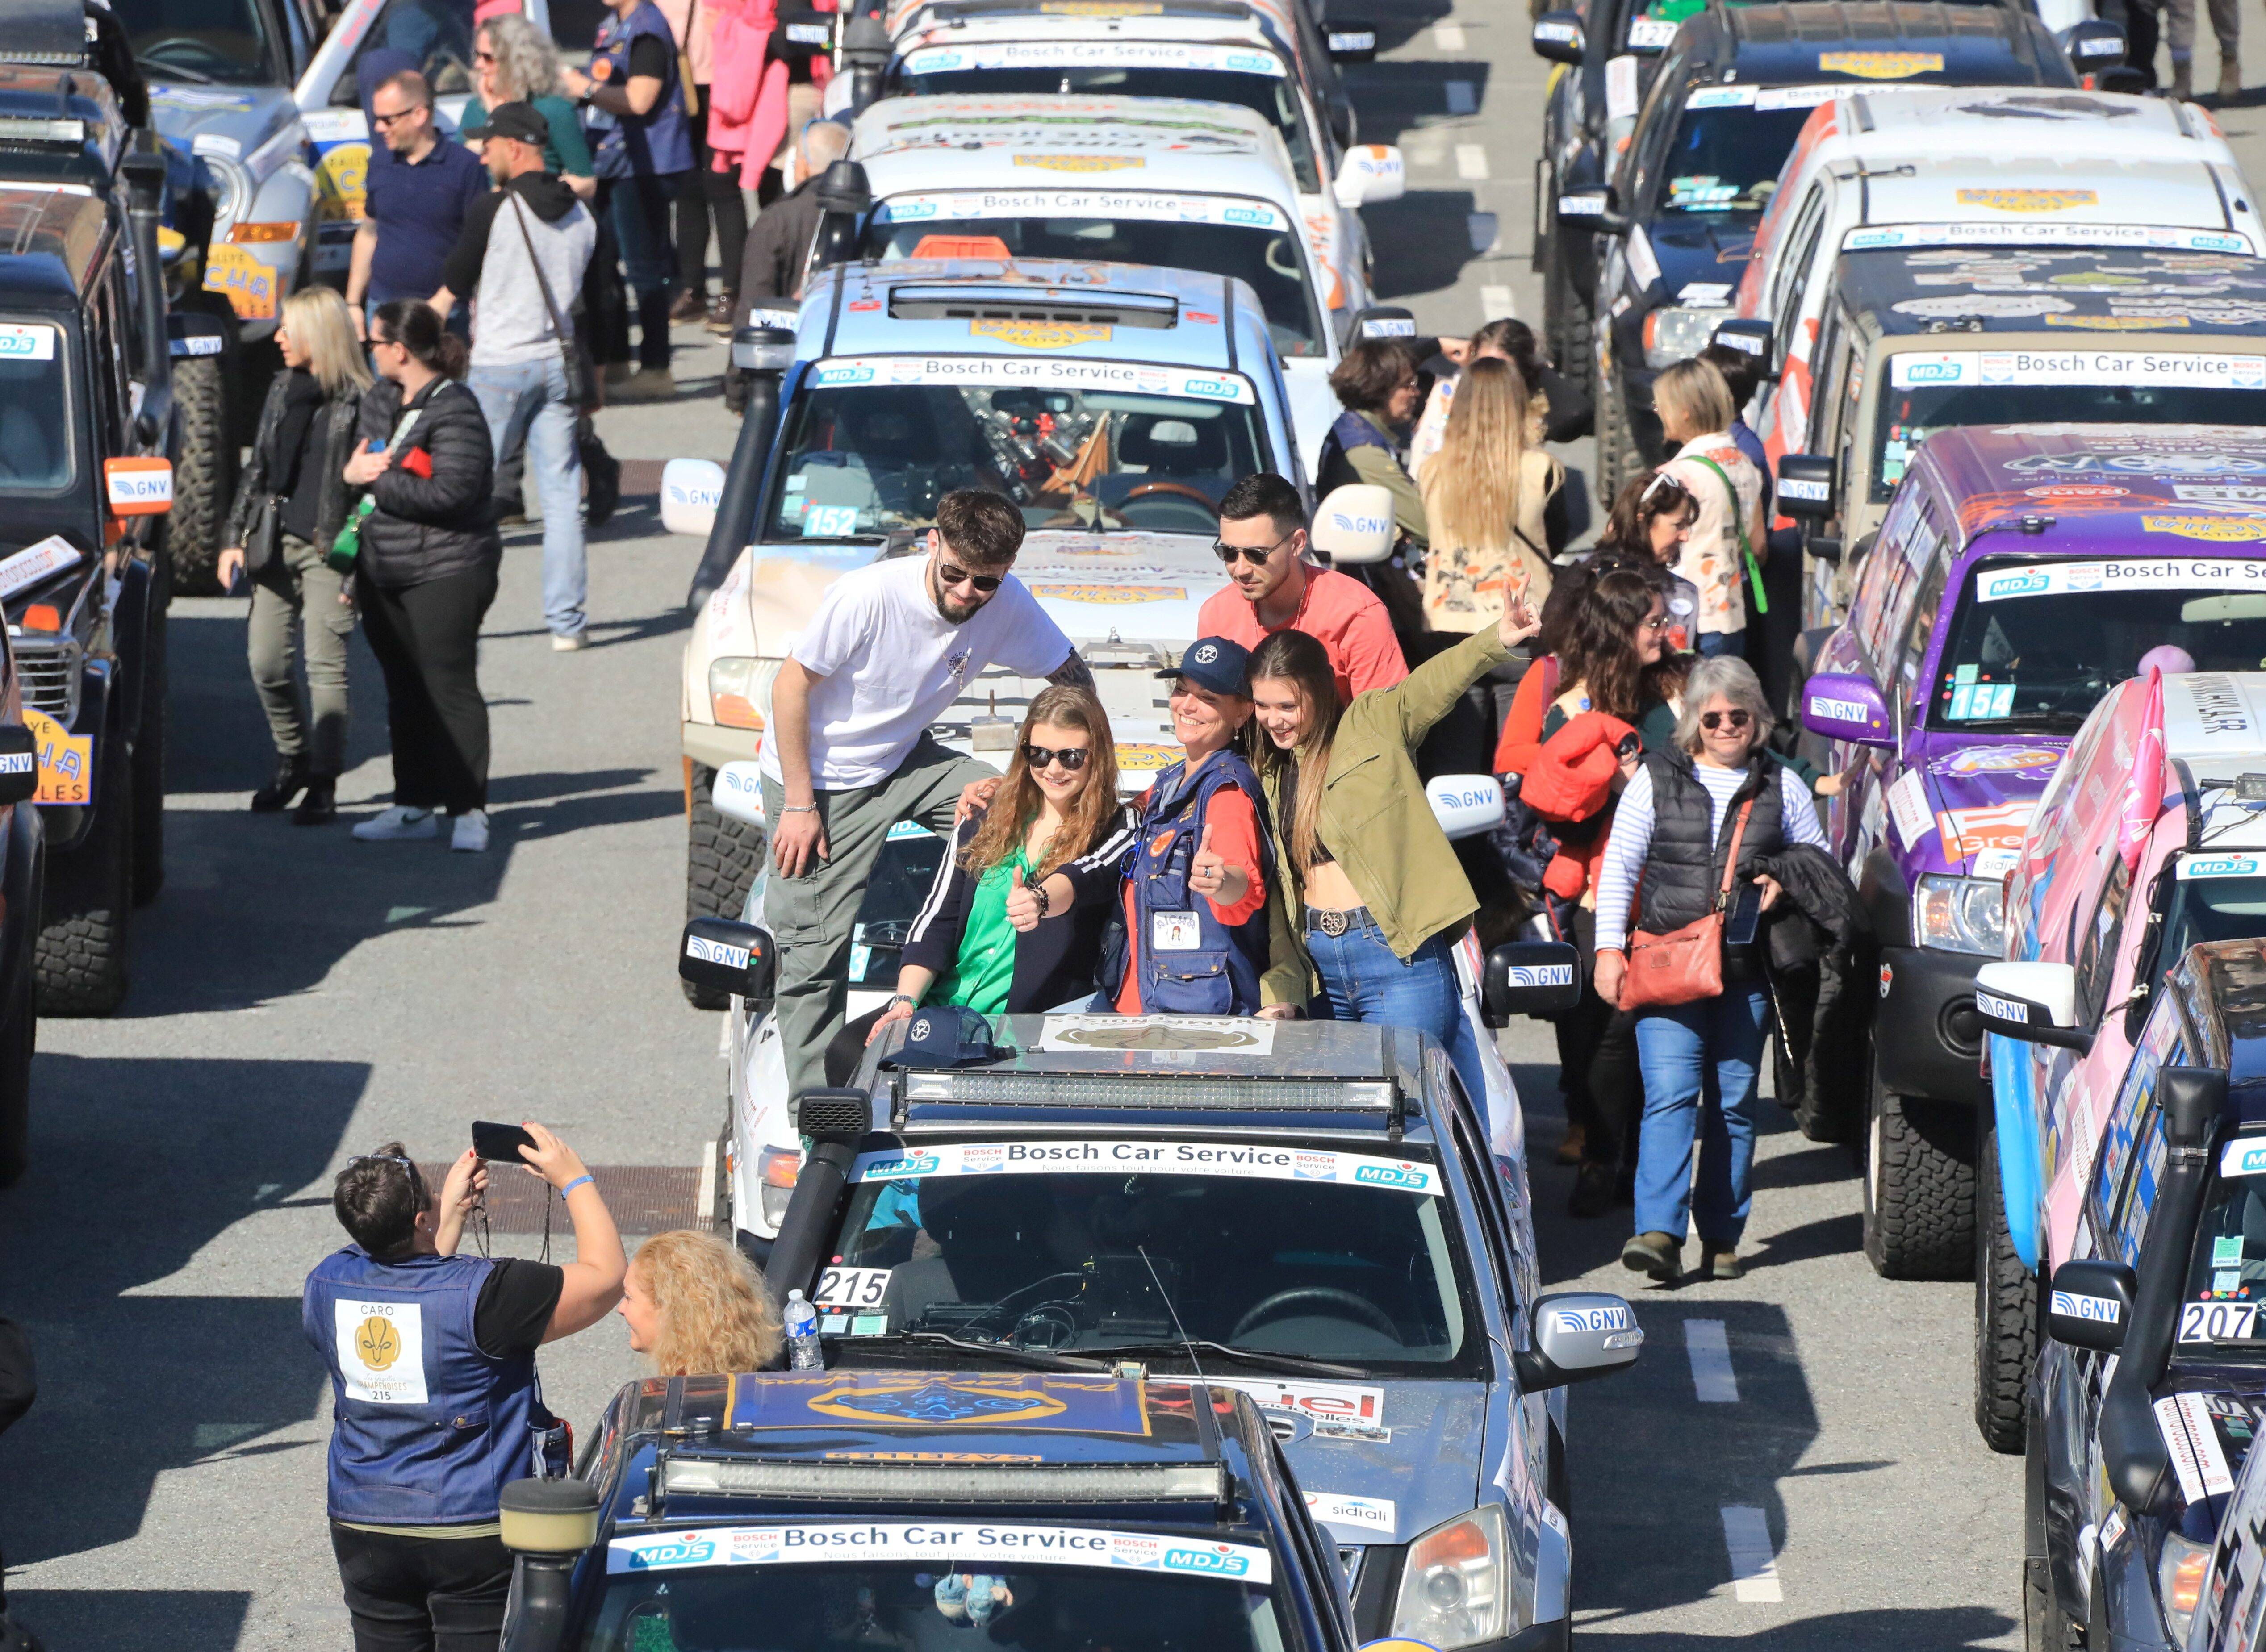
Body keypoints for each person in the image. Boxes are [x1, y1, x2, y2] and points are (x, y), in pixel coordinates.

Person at [762, 489, 1088, 1098]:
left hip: (908, 756)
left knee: (1015, 814)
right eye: (954, 575)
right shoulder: (868, 595)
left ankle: (991, 989)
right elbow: (788, 687)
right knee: (812, 957)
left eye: (985, 583)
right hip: (824, 776)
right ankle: (818, 1115)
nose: (967, 593)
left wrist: (1071, 767)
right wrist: (801, 805)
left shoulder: (1007, 601)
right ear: (932, 544)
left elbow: (1071, 677)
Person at [304, 1126, 625, 1652]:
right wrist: (574, 1179)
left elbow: (412, 1295)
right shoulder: (492, 1296)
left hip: (363, 1519)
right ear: (418, 1219)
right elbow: (606, 1275)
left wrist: (446, 1215)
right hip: (469, 1524)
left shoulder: (326, 1284)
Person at [1593, 655, 1831, 1283]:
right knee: (1669, 1096)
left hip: (1747, 971)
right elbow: (1619, 865)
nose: (1726, 727)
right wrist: (1606, 950)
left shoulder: (1784, 785)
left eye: (1739, 716)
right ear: (1694, 722)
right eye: (1714, 716)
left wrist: (1784, 876)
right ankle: (1658, 1232)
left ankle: (1721, 1236)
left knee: (1731, 1104)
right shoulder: (1656, 778)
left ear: (1757, 720)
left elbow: (1820, 867)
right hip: (1666, 962)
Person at [1247, 594, 1539, 1102]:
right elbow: (1280, 895)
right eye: (1262, 705)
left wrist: (1498, 638)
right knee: (1336, 1123)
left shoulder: (1371, 724)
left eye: (1287, 705)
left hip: (1395, 958)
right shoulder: (1268, 770)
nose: (1274, 719)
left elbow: (1432, 685)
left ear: (1317, 692)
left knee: (1406, 1110)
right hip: (1318, 967)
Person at [1497, 567, 1687, 1210]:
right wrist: (1608, 781)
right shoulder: (1571, 707)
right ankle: (1600, 1154)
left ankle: (1634, 1165)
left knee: (1648, 1026)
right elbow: (1549, 803)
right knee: (1598, 1029)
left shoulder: (1679, 691)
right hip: (1593, 894)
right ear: (1619, 631)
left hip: (1670, 888)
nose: (1668, 633)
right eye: (1655, 623)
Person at [836, 687, 1131, 1078]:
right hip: (943, 1016)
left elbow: (1087, 875)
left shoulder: (1116, 827)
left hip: (1025, 1036)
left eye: (1071, 757)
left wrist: (1039, 900)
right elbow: (937, 917)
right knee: (843, 1059)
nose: (1053, 769)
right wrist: (905, 1001)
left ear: (1098, 757)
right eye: (1039, 754)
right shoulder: (986, 815)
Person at [432, 103, 599, 652]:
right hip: (557, 363)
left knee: (469, 493)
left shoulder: (495, 209)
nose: (483, 154)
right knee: (561, 500)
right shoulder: (581, 216)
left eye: (490, 144)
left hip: (500, 367)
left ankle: (455, 615)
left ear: (516, 147)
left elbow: (454, 281)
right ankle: (567, 623)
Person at [348, 300, 504, 853]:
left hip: (448, 569)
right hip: (383, 567)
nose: (370, 351)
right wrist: (363, 474)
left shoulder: (457, 408)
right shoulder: (380, 398)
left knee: (450, 684)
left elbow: (452, 492)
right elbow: (361, 460)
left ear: (400, 349)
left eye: (374, 342)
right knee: (404, 688)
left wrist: (375, 481)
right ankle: (412, 803)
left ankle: (469, 809)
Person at [220, 286, 371, 826]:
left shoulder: (362, 399)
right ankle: (294, 757)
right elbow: (258, 466)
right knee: (266, 662)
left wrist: (358, 556)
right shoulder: (283, 387)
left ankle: (324, 783)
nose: (278, 338)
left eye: (290, 330)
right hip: (273, 541)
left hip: (330, 548)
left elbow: (373, 492)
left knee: (325, 668)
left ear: (319, 336)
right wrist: (233, 535)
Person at [1086, 637, 1276, 1015]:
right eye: (1181, 690)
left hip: (1191, 1023)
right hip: (1131, 1005)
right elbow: (1103, 819)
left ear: (1242, 712)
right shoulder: (1169, 781)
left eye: (1208, 698)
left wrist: (1223, 883)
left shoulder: (1226, 792)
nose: (1187, 705)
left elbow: (1243, 891)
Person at [1416, 357, 1565, 732]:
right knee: (1515, 757)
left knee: (1454, 758)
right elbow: (1557, 538)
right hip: (1520, 626)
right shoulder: (1542, 468)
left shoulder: (1432, 469)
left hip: (1448, 624)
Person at [562, 0, 696, 402]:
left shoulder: (647, 30)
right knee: (602, 264)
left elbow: (640, 100)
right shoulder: (613, 24)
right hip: (610, 161)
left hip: (644, 167)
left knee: (644, 270)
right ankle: (616, 358)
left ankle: (657, 368)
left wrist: (583, 88)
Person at [1193, 472, 1407, 704]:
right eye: (1229, 553)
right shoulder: (1216, 614)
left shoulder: (1357, 615)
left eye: (1257, 555)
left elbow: (1384, 725)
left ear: (1297, 544)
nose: (1241, 569)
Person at [347, 71, 489, 338]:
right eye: (377, 119)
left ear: (419, 115)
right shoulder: (379, 164)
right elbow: (369, 232)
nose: (379, 128)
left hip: (444, 315)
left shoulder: (465, 167)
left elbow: (478, 244)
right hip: (383, 310)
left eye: (388, 120)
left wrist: (446, 299)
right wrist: (353, 302)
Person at [723, 118, 849, 414]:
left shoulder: (779, 219)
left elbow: (755, 310)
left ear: (804, 163)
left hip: (789, 379)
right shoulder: (867, 212)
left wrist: (739, 388)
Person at [1655, 358, 1763, 662]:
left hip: (1685, 619)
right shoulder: (1745, 464)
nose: (1659, 414)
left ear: (1685, 412)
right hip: (1731, 614)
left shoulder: (1679, 476)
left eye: (1662, 406)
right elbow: (1756, 546)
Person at [654, 0, 748, 331]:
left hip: (721, 86)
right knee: (688, 190)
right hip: (675, 87)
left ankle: (732, 292)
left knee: (723, 187)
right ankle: (693, 289)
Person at [460, 14, 596, 199]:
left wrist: (532, 195)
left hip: (539, 218)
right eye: (477, 55)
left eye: (488, 58)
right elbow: (454, 170)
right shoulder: (475, 109)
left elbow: (586, 182)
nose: (478, 64)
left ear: (517, 62)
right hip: (488, 220)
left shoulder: (552, 109)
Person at [1316, 338, 1428, 552]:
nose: (1416, 393)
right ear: (1380, 389)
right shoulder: (1364, 451)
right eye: (1408, 385)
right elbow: (1425, 525)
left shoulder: (1353, 427)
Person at [618, 1228, 782, 1373]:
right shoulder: (760, 1383)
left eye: (629, 1297)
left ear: (671, 1312)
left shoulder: (687, 1399)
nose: (621, 1308)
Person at [1582, 470, 1701, 652]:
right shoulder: (1595, 583)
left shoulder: (1683, 591)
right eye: (1678, 525)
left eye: (1687, 527)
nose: (1685, 536)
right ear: (1643, 521)